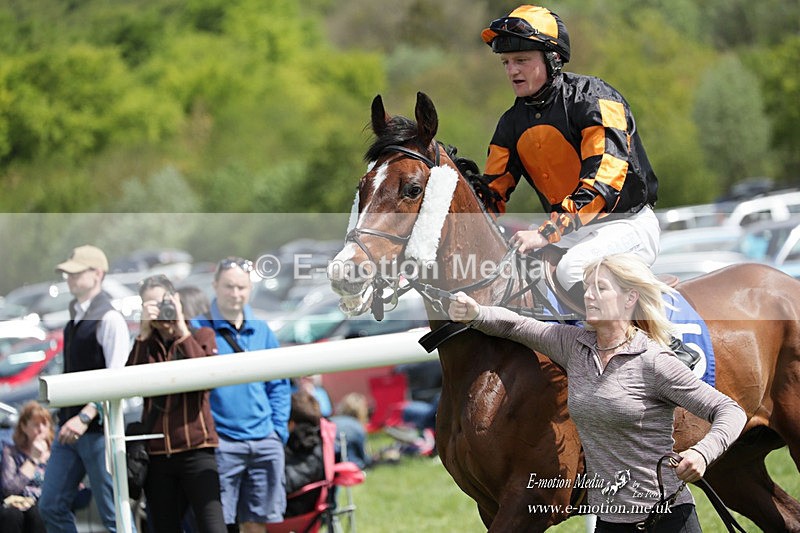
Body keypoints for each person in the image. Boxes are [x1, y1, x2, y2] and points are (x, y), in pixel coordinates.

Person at [448, 253, 747, 531]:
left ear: (630, 298)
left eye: (600, 288)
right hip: (610, 521)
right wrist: (475, 312)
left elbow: (731, 411)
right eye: (587, 287)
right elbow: (518, 326)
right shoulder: (574, 346)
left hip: (666, 518)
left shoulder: (653, 361)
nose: (588, 295)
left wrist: (702, 453)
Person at [477, 6, 660, 302]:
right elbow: (491, 194)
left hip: (626, 224)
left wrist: (547, 233)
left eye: (521, 60)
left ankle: (662, 342)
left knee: (572, 269)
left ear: (553, 58)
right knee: (516, 274)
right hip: (571, 232)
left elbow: (604, 183)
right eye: (506, 62)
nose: (512, 70)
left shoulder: (595, 98)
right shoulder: (510, 123)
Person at [39, 245, 136, 533]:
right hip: (70, 427)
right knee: (50, 505)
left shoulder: (110, 318)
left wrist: (84, 417)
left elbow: (116, 379)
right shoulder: (77, 314)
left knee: (114, 514)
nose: (69, 277)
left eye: (76, 272)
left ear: (98, 274)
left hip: (98, 431)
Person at [191, 257, 291, 532]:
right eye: (229, 287)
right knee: (218, 523)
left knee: (257, 523)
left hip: (264, 440)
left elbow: (279, 385)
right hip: (222, 443)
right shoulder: (198, 330)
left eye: (241, 288)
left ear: (249, 289)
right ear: (215, 286)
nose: (236, 294)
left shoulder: (262, 331)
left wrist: (277, 431)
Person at [126, 275, 226, 533]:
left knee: (213, 527)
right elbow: (128, 384)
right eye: (151, 305)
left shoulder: (201, 334)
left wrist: (181, 329)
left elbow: (207, 379)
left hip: (197, 448)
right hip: (158, 456)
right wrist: (143, 333)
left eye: (162, 302)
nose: (159, 310)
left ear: (176, 300)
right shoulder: (145, 345)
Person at [0, 401, 53, 533]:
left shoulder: (58, 453)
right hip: (17, 506)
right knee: (11, 515)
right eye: (36, 424)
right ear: (24, 427)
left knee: (37, 512)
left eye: (44, 424)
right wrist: (33, 459)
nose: (41, 429)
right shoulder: (12, 452)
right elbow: (9, 490)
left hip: (44, 506)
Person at [283, 391, 324, 518]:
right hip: (314, 514)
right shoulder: (324, 443)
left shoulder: (289, 445)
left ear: (291, 424)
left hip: (284, 515)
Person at [328, 394, 371, 470]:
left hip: (328, 466)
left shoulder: (331, 421)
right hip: (349, 466)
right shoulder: (357, 427)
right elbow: (363, 456)